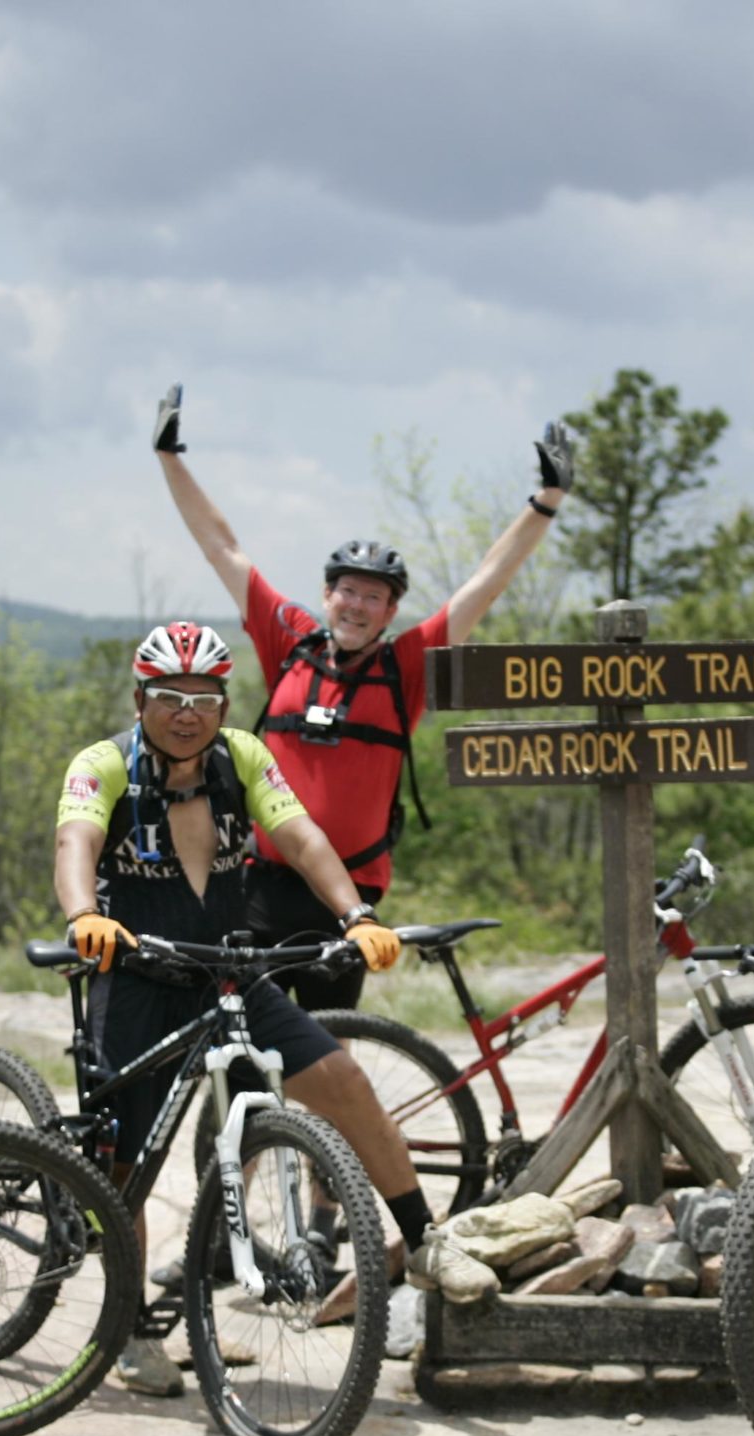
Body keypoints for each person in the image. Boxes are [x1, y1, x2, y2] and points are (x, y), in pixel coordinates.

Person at [54, 623, 432, 1394]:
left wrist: (355, 914)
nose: (187, 712)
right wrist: (82, 914)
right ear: (139, 699)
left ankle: (428, 1246)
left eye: (203, 698)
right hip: (136, 978)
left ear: (225, 702)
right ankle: (125, 1329)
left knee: (342, 1080)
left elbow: (302, 837)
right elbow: (75, 843)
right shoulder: (102, 764)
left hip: (227, 973)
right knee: (127, 1165)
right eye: (168, 697)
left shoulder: (243, 757)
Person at [154, 383, 572, 1009]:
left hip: (348, 893)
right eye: (347, 591)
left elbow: (484, 587)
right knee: (240, 1051)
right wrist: (170, 457)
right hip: (259, 883)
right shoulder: (288, 643)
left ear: (391, 609)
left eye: (373, 596)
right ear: (327, 596)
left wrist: (546, 501)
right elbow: (223, 549)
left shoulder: (404, 668)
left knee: (327, 1054)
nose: (357, 604)